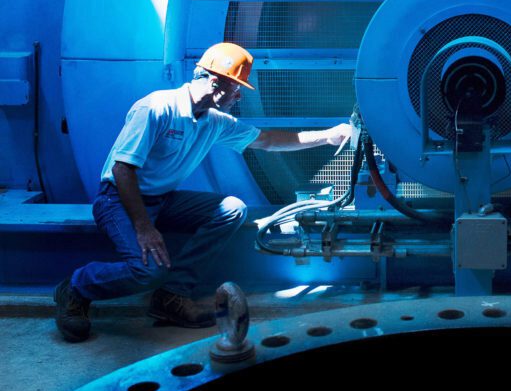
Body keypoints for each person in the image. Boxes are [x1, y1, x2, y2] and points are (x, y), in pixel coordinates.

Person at [54, 42, 351, 342]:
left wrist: (328, 136)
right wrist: (143, 227)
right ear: (214, 81)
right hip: (118, 199)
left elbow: (269, 140)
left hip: (162, 200)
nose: (238, 97)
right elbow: (122, 170)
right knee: (147, 272)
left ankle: (172, 295)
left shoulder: (215, 121)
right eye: (237, 88)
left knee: (233, 208)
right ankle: (76, 287)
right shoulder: (156, 108)